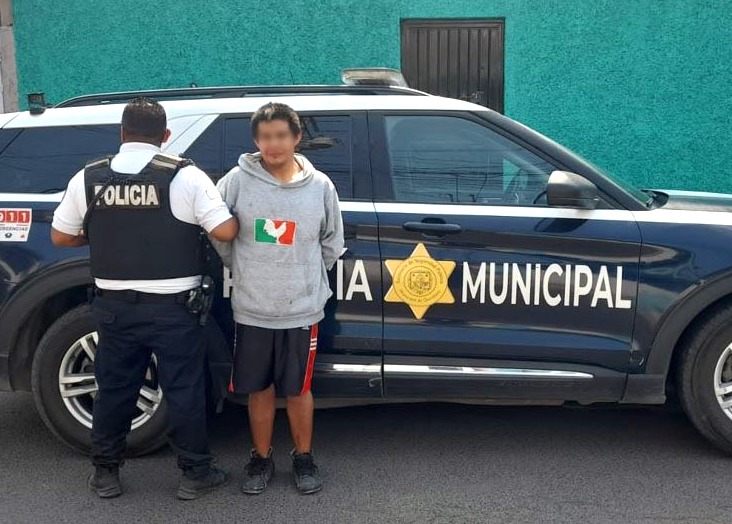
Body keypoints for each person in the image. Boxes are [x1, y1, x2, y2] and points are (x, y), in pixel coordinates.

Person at [51, 97, 239, 500]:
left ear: (122, 133)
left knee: (114, 389)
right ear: (165, 136)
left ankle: (105, 473)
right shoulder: (185, 177)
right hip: (175, 310)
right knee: (184, 390)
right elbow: (224, 232)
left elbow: (61, 236)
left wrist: (100, 235)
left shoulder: (89, 177)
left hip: (114, 308)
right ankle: (194, 473)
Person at [214, 102, 344, 495]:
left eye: (281, 135)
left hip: (302, 308)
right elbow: (219, 233)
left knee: (299, 390)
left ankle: (303, 458)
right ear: (256, 140)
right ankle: (260, 457)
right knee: (259, 388)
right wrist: (250, 271)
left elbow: (331, 242)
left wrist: (300, 273)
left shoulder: (320, 186)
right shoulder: (236, 181)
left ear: (296, 138)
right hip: (253, 308)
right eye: (266, 136)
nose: (274, 144)